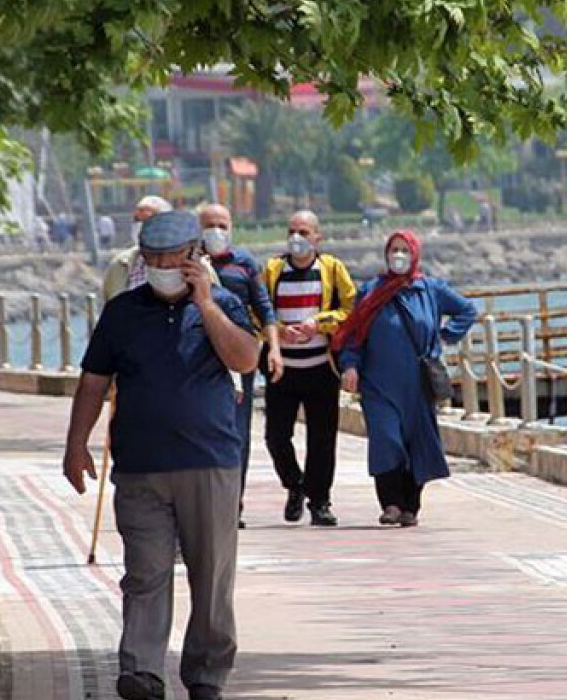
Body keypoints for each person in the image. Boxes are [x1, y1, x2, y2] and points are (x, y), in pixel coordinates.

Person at [63, 210, 259, 700]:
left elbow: (244, 359)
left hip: (210, 463)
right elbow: (92, 381)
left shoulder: (227, 305)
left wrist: (207, 305)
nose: (159, 268)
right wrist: (76, 443)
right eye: (151, 260)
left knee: (211, 572)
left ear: (194, 258)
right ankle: (143, 669)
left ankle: (207, 670)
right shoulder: (122, 313)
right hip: (141, 466)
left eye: (170, 260)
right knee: (145, 571)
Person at [335, 231, 476, 527]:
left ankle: (411, 506)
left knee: (417, 443)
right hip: (378, 383)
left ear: (414, 254)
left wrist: (446, 335)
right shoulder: (371, 291)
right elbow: (353, 333)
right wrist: (350, 366)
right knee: (386, 441)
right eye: (393, 250)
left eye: (404, 250)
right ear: (386, 254)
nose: (398, 255)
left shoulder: (430, 290)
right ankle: (390, 503)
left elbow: (467, 310)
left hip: (417, 384)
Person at [261, 210, 356, 527]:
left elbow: (350, 309)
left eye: (303, 232)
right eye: (291, 232)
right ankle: (294, 484)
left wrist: (319, 324)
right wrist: (276, 331)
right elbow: (257, 310)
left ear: (317, 237)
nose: (296, 238)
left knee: (322, 438)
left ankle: (320, 501)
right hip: (282, 369)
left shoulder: (331, 269)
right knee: (276, 436)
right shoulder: (273, 270)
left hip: (320, 367)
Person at [198, 203, 284, 528]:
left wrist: (274, 349)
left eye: (222, 224)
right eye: (209, 225)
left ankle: (234, 502)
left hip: (238, 361)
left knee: (238, 431)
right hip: (201, 360)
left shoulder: (244, 264)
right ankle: (208, 501)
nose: (216, 231)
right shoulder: (191, 263)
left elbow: (264, 308)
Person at [102, 195, 172, 300]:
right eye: (137, 221)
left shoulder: (186, 265)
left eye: (148, 221)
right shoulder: (120, 265)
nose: (140, 226)